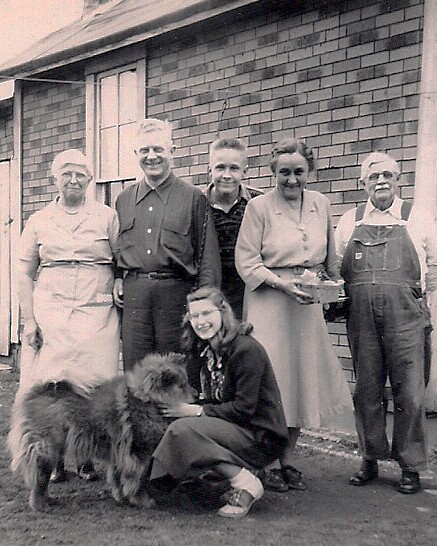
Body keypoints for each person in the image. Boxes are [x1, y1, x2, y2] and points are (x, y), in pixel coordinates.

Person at [235, 137, 352, 492]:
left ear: (309, 172)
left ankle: (289, 461)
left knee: (300, 382)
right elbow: (247, 262)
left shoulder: (321, 204)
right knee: (273, 383)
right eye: (283, 172)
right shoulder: (258, 207)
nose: (291, 180)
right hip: (270, 301)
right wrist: (282, 285)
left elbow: (331, 257)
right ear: (273, 172)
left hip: (307, 303)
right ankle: (264, 462)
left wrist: (335, 282)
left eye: (299, 172)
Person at [17, 148, 121, 481]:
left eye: (80, 174)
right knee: (53, 384)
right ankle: (54, 461)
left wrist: (118, 281)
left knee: (94, 383)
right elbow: (23, 271)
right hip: (54, 310)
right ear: (54, 178)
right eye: (66, 173)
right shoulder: (39, 220)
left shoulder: (107, 216)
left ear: (90, 179)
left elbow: (122, 262)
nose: (73, 179)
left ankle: (88, 458)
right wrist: (30, 319)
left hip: (98, 310)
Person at [335, 151, 432, 494]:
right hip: (362, 316)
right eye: (374, 176)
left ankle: (409, 465)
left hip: (406, 315)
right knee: (368, 390)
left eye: (388, 175)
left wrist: (426, 306)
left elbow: (432, 269)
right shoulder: (350, 220)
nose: (381, 182)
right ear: (363, 183)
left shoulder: (416, 217)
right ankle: (369, 458)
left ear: (398, 180)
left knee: (410, 392)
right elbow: (338, 269)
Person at [150, 287, 288, 518]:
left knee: (183, 429)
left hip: (260, 435)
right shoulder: (202, 348)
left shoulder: (246, 350)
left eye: (207, 314)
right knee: (180, 422)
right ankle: (187, 477)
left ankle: (247, 484)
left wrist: (193, 411)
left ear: (223, 312)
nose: (200, 322)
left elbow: (244, 409)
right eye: (195, 316)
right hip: (233, 428)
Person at [113, 118, 221, 371]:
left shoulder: (193, 198)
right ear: (136, 154)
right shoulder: (123, 200)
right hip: (135, 296)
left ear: (172, 151)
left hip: (177, 295)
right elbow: (119, 247)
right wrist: (118, 276)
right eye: (144, 150)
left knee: (177, 372)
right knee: (136, 373)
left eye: (158, 149)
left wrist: (205, 303)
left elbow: (207, 255)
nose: (151, 156)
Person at [205, 138, 262, 319]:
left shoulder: (258, 202)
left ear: (244, 171)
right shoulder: (197, 204)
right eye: (220, 167)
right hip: (210, 291)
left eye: (234, 168)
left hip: (249, 291)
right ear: (210, 170)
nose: (227, 175)